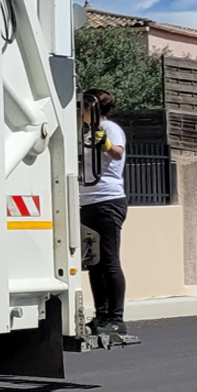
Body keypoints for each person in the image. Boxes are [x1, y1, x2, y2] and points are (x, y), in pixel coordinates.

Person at [79, 88, 129, 335]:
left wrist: (106, 143)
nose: (80, 112)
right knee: (94, 262)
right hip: (87, 201)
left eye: (83, 107)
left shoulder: (110, 129)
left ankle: (116, 317)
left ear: (93, 108)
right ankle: (101, 315)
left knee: (109, 260)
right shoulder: (85, 133)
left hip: (107, 200)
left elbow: (117, 154)